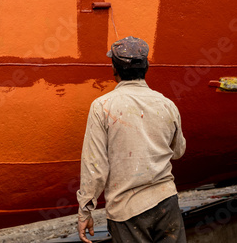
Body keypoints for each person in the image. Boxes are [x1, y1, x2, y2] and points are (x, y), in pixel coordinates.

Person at [76, 37, 186, 243]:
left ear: (114, 70)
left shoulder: (102, 106)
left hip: (127, 211)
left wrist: (85, 211)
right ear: (146, 67)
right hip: (167, 203)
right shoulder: (167, 104)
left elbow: (95, 167)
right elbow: (178, 151)